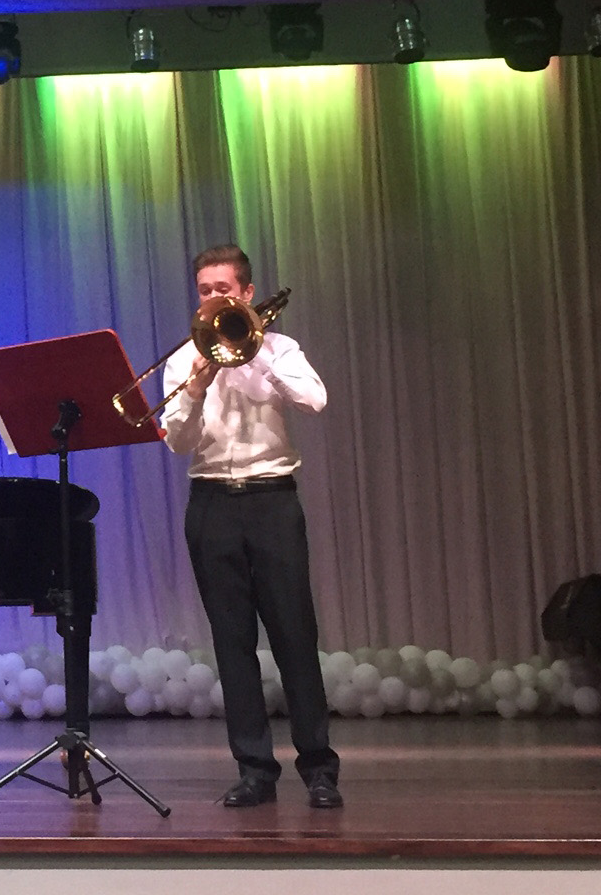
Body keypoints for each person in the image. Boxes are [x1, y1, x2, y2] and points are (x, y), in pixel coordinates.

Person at [160, 244, 341, 810]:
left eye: (223, 289)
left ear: (246, 293)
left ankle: (319, 768)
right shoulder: (184, 359)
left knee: (294, 635)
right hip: (211, 503)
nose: (213, 298)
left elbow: (314, 400)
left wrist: (255, 351)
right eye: (204, 290)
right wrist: (196, 387)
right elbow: (177, 442)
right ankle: (255, 769)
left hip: (271, 500)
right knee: (232, 641)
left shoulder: (281, 348)